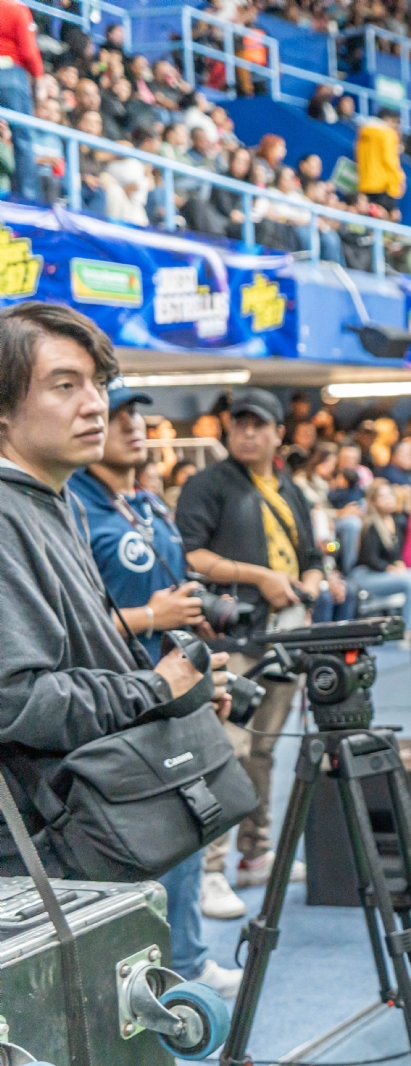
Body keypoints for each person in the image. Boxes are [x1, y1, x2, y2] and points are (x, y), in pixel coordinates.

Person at [0, 302, 230, 876]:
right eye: (64, 385)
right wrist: (153, 688)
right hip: (39, 851)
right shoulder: (5, 514)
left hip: (86, 819)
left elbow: (81, 653)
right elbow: (14, 699)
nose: (95, 404)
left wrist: (175, 692)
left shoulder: (59, 501)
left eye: (98, 383)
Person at [66, 380, 242, 998]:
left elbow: (172, 592)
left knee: (187, 830)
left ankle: (186, 960)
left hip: (173, 693)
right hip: (114, 704)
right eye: (117, 416)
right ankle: (135, 983)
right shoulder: (73, 508)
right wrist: (149, 617)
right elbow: (66, 631)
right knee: (134, 846)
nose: (131, 425)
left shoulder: (144, 503)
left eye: (136, 415)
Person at [176, 387, 322, 919]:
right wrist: (260, 577)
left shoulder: (289, 489)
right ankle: (211, 867)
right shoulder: (207, 485)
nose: (247, 432)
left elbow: (312, 555)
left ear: (279, 433)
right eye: (239, 423)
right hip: (233, 642)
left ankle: (254, 853)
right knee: (228, 750)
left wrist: (309, 584)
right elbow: (189, 554)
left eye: (258, 424)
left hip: (283, 638)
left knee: (263, 752)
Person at [351, 477, 411, 637]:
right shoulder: (370, 525)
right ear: (373, 501)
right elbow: (369, 558)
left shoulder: (397, 521)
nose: (388, 499)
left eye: (390, 495)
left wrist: (398, 564)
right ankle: (409, 630)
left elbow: (397, 553)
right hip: (367, 574)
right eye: (382, 497)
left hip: (386, 572)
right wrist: (389, 568)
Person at [0, 0, 40, 202]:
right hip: (10, 74)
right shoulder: (17, 10)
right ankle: (27, 198)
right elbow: (28, 52)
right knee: (23, 138)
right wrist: (38, 75)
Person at [356, 108, 405, 211]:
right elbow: (389, 160)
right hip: (383, 186)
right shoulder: (388, 134)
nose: (396, 127)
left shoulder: (363, 133)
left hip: (365, 184)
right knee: (388, 217)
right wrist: (399, 179)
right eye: (394, 122)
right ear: (387, 119)